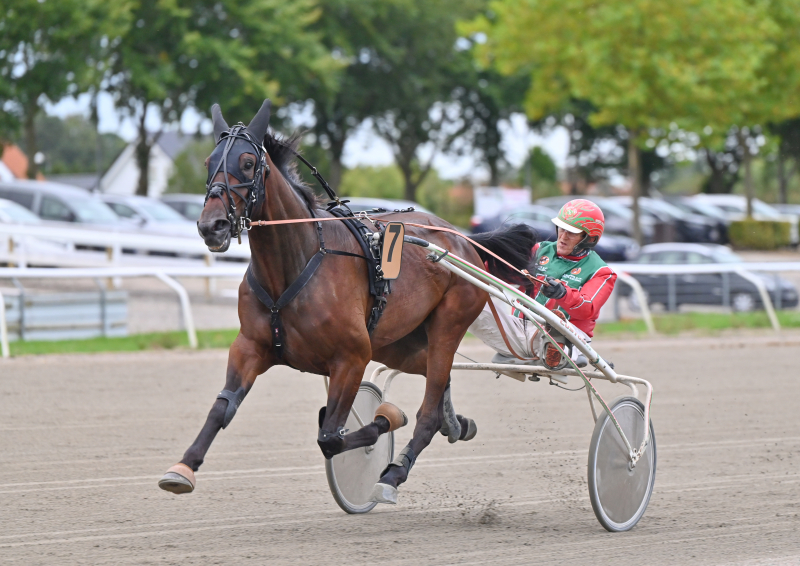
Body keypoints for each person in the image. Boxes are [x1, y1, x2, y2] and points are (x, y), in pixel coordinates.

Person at [468, 198, 616, 368]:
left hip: (570, 336)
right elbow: (499, 273)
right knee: (467, 304)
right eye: (561, 228)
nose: (563, 237)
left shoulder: (602, 272)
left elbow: (587, 309)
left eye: (572, 232)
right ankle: (550, 351)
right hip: (519, 331)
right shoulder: (538, 250)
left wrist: (563, 294)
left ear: (589, 238)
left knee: (559, 329)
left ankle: (562, 350)